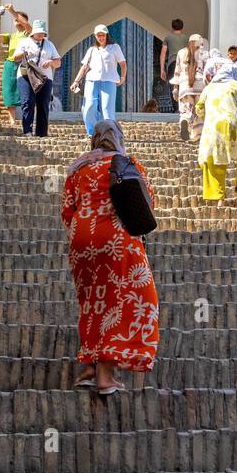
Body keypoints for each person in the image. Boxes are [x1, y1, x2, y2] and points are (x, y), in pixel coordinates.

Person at [61, 120, 159, 395]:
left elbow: (67, 210)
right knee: (125, 299)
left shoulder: (77, 168)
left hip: (82, 241)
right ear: (118, 137)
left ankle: (90, 366)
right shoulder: (127, 164)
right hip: (117, 240)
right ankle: (105, 375)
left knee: (92, 301)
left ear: (94, 139)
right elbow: (147, 200)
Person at [195, 56, 237, 206]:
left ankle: (219, 198)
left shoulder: (209, 88)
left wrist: (209, 115)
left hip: (214, 129)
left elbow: (199, 109)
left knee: (215, 160)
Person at [69, 24, 127, 135]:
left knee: (106, 108)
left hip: (109, 81)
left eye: (103, 35)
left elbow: (123, 64)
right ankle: (93, 133)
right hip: (91, 81)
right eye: (98, 35)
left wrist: (122, 77)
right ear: (95, 36)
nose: (101, 37)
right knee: (89, 106)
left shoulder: (114, 47)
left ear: (106, 35)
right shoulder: (92, 50)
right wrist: (76, 81)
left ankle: (109, 133)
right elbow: (85, 66)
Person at [11, 20, 61, 137]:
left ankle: (41, 133)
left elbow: (58, 62)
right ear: (33, 32)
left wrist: (50, 62)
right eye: (38, 33)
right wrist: (24, 53)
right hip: (26, 76)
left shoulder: (49, 45)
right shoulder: (25, 42)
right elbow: (15, 58)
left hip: (45, 78)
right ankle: (27, 130)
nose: (40, 35)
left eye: (42, 33)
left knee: (43, 104)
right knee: (28, 101)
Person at [0, 0, 32, 127]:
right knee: (9, 90)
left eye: (20, 18)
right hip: (10, 64)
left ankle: (26, 118)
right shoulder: (11, 36)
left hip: (23, 65)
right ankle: (12, 119)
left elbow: (28, 26)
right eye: (15, 18)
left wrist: (13, 11)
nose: (16, 19)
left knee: (24, 91)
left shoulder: (29, 34)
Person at [171, 33, 208, 142]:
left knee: (185, 109)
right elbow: (208, 72)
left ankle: (185, 120)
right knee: (199, 111)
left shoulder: (181, 52)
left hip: (184, 85)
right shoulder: (204, 54)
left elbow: (177, 72)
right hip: (200, 85)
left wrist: (175, 88)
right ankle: (197, 135)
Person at [159, 18, 185, 111]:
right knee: (184, 84)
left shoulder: (168, 38)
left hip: (173, 63)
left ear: (172, 27)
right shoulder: (187, 38)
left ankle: (176, 108)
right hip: (184, 64)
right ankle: (183, 107)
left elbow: (163, 53)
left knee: (173, 85)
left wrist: (162, 69)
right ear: (182, 27)